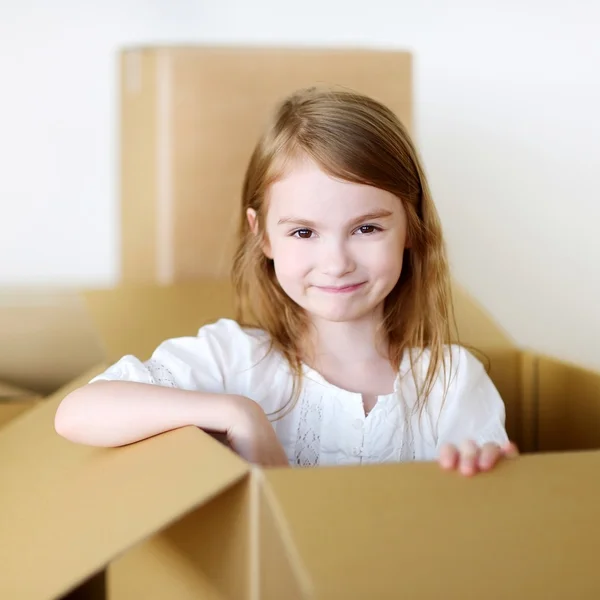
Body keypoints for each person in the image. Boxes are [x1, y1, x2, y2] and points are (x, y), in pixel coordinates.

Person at [55, 87, 518, 476]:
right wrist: (237, 413)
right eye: (304, 232)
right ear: (263, 236)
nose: (336, 262)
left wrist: (483, 474)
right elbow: (78, 412)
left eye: (367, 228)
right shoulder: (233, 361)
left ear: (410, 228)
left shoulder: (452, 381)